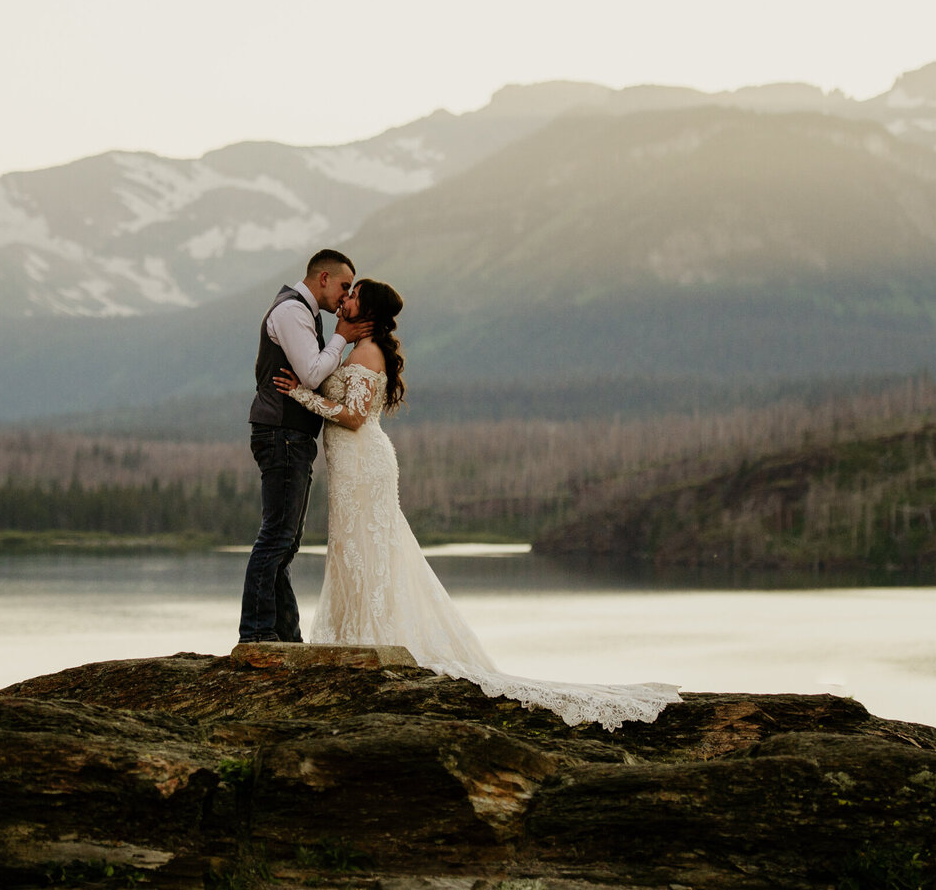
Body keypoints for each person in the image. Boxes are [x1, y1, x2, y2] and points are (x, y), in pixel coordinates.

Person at [275, 278, 680, 730]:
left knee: (368, 550)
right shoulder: (356, 348)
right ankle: (357, 639)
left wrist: (301, 395)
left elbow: (352, 417)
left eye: (351, 295)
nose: (344, 298)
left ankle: (375, 641)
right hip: (350, 468)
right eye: (344, 292)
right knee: (352, 550)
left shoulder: (367, 353)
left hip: (364, 464)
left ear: (365, 310)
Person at [239, 249, 372, 644]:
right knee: (277, 536)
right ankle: (257, 634)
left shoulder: (304, 312)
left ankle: (285, 635)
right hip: (280, 433)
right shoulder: (293, 311)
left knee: (287, 540)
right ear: (324, 279)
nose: (345, 297)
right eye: (345, 286)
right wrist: (341, 338)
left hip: (290, 436)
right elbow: (312, 374)